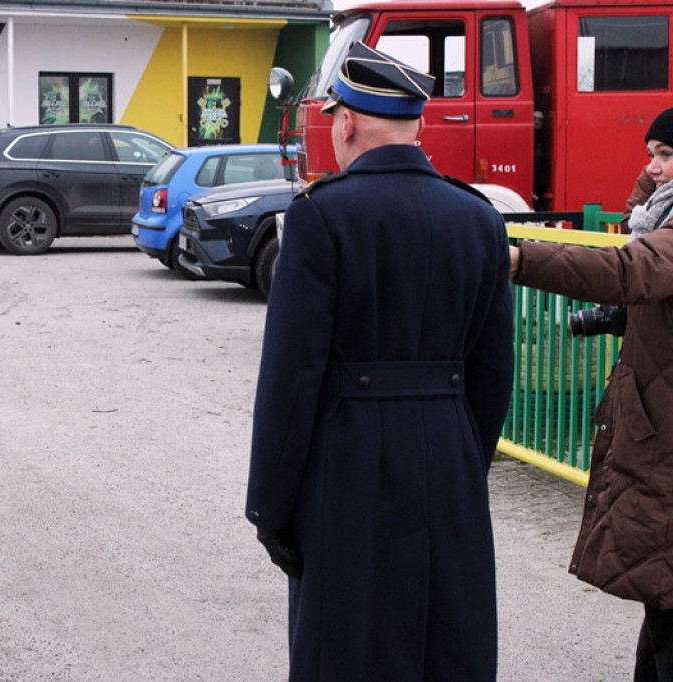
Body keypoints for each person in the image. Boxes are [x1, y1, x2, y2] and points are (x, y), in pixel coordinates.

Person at [245, 42, 515, 680]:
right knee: (444, 642)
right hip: (449, 452)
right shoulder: (478, 218)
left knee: (350, 644)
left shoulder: (321, 215)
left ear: (345, 123)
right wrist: (461, 456)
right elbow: (493, 370)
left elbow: (291, 378)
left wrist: (270, 507)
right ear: (416, 126)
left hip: (349, 459)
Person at [510, 105, 673, 681]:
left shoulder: (666, 236)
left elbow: (628, 272)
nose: (653, 167)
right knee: (661, 608)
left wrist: (518, 257)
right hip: (656, 429)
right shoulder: (657, 216)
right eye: (650, 153)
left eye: (667, 155)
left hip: (666, 444)